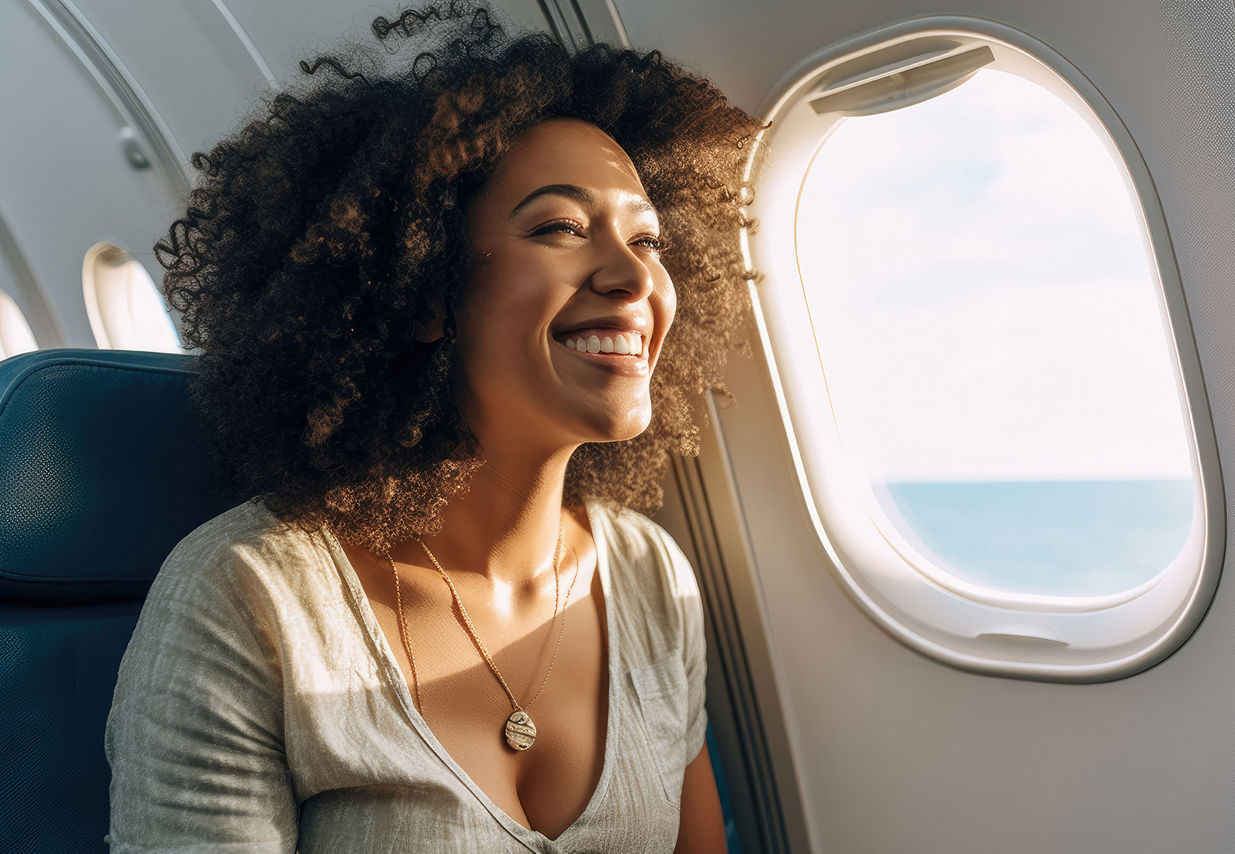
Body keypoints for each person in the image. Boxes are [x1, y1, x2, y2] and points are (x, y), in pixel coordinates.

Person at [104, 3, 760, 852]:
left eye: (649, 239)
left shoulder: (649, 576)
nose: (635, 275)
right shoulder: (247, 598)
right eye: (561, 227)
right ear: (421, 291)